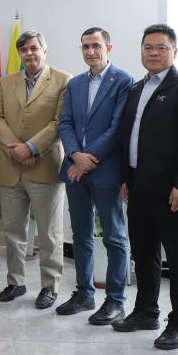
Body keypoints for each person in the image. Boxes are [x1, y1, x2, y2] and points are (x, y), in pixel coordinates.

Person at [115, 24, 178, 351]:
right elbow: (128, 137)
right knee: (143, 253)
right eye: (148, 47)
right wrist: (125, 178)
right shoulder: (136, 89)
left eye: (161, 47)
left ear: (174, 52)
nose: (153, 53)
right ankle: (146, 312)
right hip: (138, 186)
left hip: (172, 191)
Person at [57, 27, 134, 324]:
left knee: (114, 236)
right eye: (85, 46)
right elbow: (65, 123)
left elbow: (117, 128)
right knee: (80, 234)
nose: (90, 51)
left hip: (105, 170)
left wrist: (87, 159)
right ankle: (84, 293)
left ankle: (115, 300)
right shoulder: (75, 83)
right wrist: (75, 155)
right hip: (75, 169)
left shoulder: (123, 80)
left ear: (108, 48)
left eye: (96, 45)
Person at [0, 30, 71, 309]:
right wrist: (16, 148)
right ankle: (16, 281)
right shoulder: (5, 82)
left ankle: (50, 286)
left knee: (49, 234)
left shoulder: (62, 80)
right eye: (24, 50)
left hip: (45, 166)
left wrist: (32, 148)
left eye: (34, 48)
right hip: (11, 166)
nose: (29, 53)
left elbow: (59, 122)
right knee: (13, 231)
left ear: (44, 51)